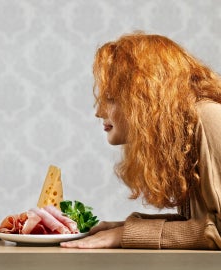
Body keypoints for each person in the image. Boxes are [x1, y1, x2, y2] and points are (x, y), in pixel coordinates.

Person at [61, 32, 221, 249]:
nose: (99, 112)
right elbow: (202, 225)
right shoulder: (185, 133)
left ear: (146, 98)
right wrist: (125, 227)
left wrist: (126, 234)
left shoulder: (210, 118)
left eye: (110, 98)